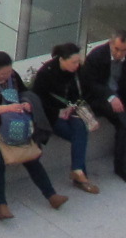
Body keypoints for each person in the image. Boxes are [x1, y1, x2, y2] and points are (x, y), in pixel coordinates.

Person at [0, 48, 65, 218]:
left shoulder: (13, 76)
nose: (6, 76)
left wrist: (26, 103)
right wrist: (7, 108)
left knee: (31, 157)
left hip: (14, 124)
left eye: (9, 72)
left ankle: (51, 195)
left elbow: (23, 92)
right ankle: (1, 205)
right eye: (3, 73)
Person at [32, 43, 102, 195]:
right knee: (79, 135)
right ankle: (80, 175)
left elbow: (84, 92)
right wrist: (57, 112)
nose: (77, 65)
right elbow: (37, 101)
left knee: (80, 128)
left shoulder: (77, 71)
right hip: (51, 116)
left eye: (78, 61)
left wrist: (73, 106)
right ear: (62, 60)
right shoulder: (46, 74)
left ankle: (78, 172)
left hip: (71, 112)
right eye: (73, 62)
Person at [82, 31, 126, 186]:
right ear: (110, 44)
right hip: (98, 98)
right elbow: (90, 83)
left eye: (123, 50)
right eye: (116, 49)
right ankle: (123, 168)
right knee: (124, 121)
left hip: (118, 97)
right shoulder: (96, 56)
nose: (119, 54)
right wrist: (110, 96)